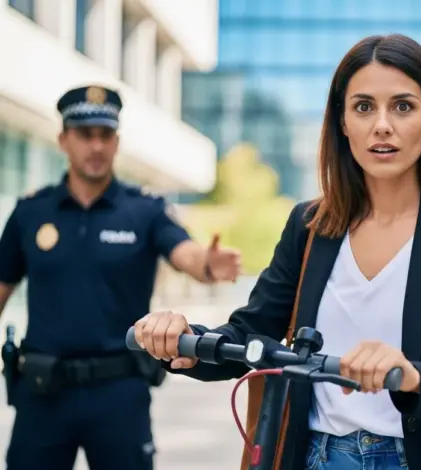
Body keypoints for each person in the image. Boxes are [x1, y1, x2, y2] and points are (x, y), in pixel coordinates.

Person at [135, 33, 421, 469]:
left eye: (403, 106)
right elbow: (250, 333)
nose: (382, 124)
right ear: (342, 122)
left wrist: (413, 377)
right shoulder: (311, 225)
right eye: (363, 107)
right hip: (316, 457)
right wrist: (183, 338)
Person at [0, 84, 242, 470]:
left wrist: (208, 264)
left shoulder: (145, 210)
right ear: (64, 140)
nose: (95, 146)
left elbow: (185, 253)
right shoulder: (31, 212)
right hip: (42, 393)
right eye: (84, 135)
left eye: (105, 135)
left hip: (119, 393)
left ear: (116, 142)